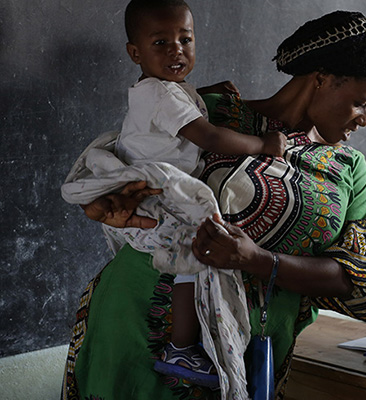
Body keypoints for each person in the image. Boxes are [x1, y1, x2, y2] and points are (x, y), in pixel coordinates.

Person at [61, 9, 366, 400]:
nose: (365, 120)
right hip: (133, 324)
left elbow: (359, 280)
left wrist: (258, 260)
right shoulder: (206, 112)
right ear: (322, 79)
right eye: (362, 102)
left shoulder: (347, 168)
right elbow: (122, 175)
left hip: (239, 360)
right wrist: (106, 206)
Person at [65, 0, 287, 389]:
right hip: (152, 193)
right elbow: (209, 135)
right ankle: (182, 347)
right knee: (196, 251)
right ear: (135, 53)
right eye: (161, 42)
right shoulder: (163, 95)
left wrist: (204, 91)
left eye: (185, 39)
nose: (176, 50)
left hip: (153, 189)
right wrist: (264, 144)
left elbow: (175, 106)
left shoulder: (163, 91)